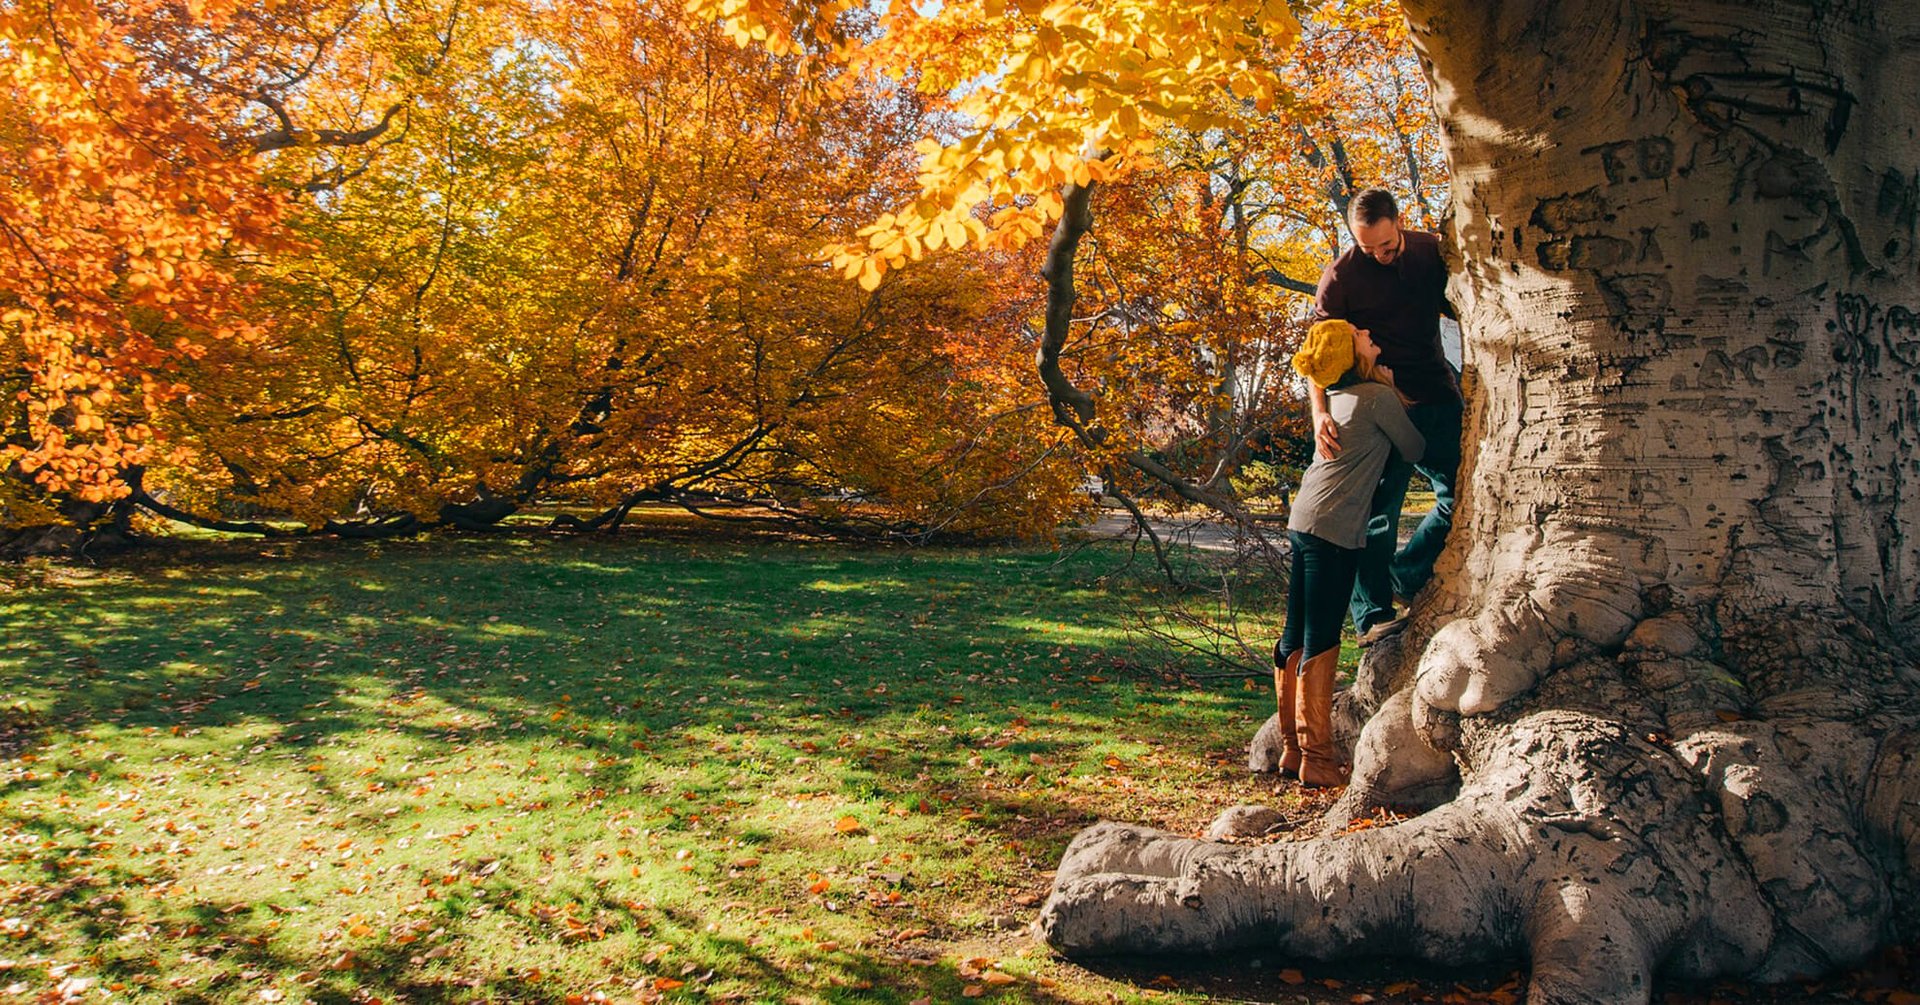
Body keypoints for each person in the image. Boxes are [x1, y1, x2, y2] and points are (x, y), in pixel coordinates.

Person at [1276, 319, 1425, 788]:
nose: (1369, 334)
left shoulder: (1338, 400)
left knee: (1293, 634)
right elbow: (1414, 447)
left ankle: (1291, 749)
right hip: (1334, 527)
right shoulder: (1376, 398)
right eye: (1361, 335)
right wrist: (1391, 388)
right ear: (1351, 351)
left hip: (1304, 518)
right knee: (1320, 638)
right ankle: (1317, 759)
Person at [1310, 189, 1462, 646]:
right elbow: (1317, 356)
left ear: (1400, 223)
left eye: (1386, 246)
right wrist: (1320, 415)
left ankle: (1405, 574)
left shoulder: (1430, 253)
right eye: (1366, 247)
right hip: (1374, 402)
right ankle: (1372, 616)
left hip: (1434, 394)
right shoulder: (1341, 278)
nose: (1377, 255)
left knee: (1459, 497)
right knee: (1375, 516)